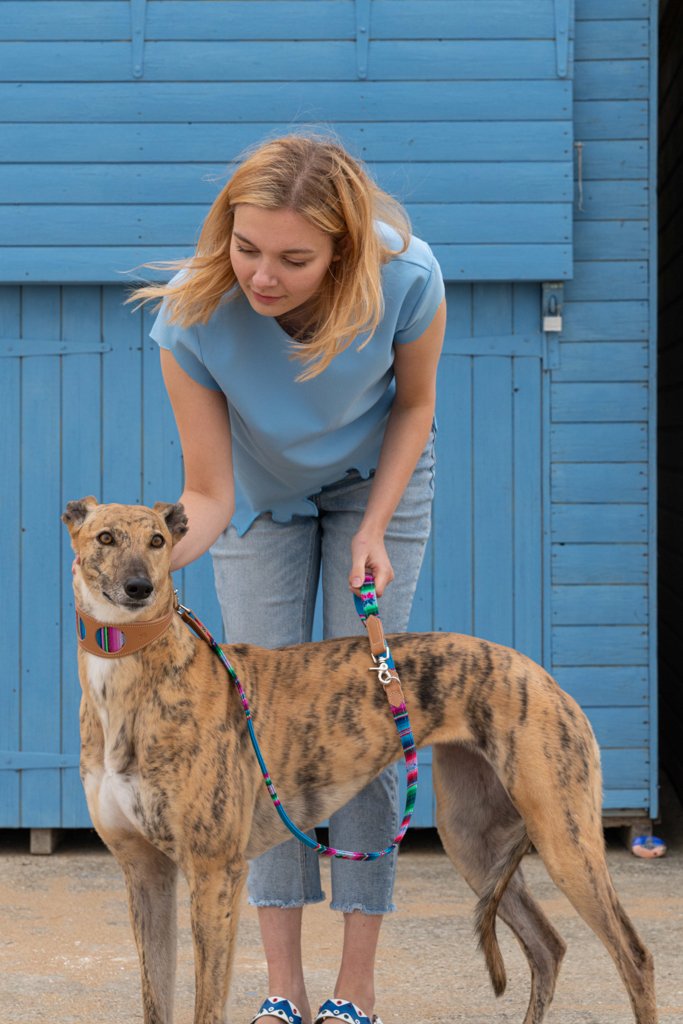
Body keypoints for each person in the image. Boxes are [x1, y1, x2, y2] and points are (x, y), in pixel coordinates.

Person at [132, 132, 446, 1024]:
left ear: (342, 250)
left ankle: (355, 988)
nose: (262, 277)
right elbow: (206, 493)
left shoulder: (408, 276)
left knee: (361, 720)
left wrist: (376, 528)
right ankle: (283, 989)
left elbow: (415, 404)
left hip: (375, 482)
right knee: (259, 734)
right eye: (245, 248)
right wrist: (152, 570)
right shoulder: (192, 318)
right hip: (257, 498)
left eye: (293, 258)